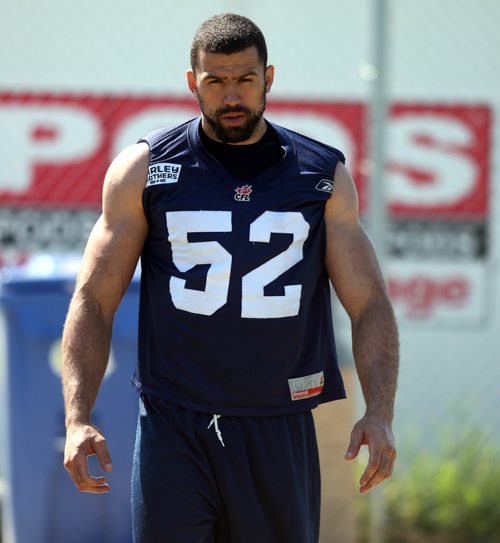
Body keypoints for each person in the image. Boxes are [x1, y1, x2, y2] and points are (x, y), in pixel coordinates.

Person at [62, 12, 399, 543]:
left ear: (268, 78)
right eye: (216, 81)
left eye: (244, 79)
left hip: (277, 421)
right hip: (174, 420)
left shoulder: (321, 174)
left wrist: (379, 411)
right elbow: (95, 299)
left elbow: (369, 304)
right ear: (193, 83)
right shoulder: (146, 169)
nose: (232, 96)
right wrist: (77, 417)